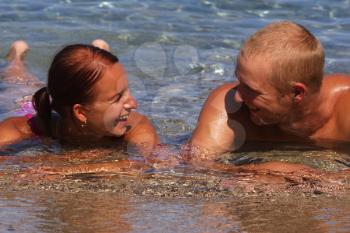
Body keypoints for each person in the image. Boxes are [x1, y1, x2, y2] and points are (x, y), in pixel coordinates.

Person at [189, 21, 350, 162]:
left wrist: (302, 175)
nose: (238, 96)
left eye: (251, 89)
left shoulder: (345, 110)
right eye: (239, 80)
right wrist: (266, 172)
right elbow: (196, 167)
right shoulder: (228, 105)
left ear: (296, 93)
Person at [0, 39, 159, 156]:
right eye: (117, 98)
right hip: (25, 103)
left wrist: (63, 168)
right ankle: (17, 56)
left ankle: (97, 54)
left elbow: (145, 164)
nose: (134, 104)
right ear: (81, 112)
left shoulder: (133, 125)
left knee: (100, 76)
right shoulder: (27, 128)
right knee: (17, 78)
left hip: (69, 99)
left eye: (127, 92)